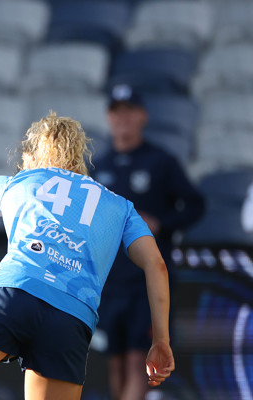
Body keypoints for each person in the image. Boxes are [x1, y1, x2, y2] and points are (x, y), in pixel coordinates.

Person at [0, 112, 175, 400]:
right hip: (70, 317)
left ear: (32, 154)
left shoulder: (22, 181)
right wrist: (161, 340)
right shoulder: (121, 207)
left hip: (11, 294)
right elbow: (156, 265)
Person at [92, 84, 204, 400]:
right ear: (109, 118)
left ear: (143, 116)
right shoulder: (99, 167)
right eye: (117, 112)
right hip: (110, 281)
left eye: (130, 111)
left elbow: (195, 204)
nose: (123, 119)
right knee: (115, 361)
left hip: (147, 280)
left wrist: (160, 223)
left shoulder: (160, 162)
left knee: (139, 358)